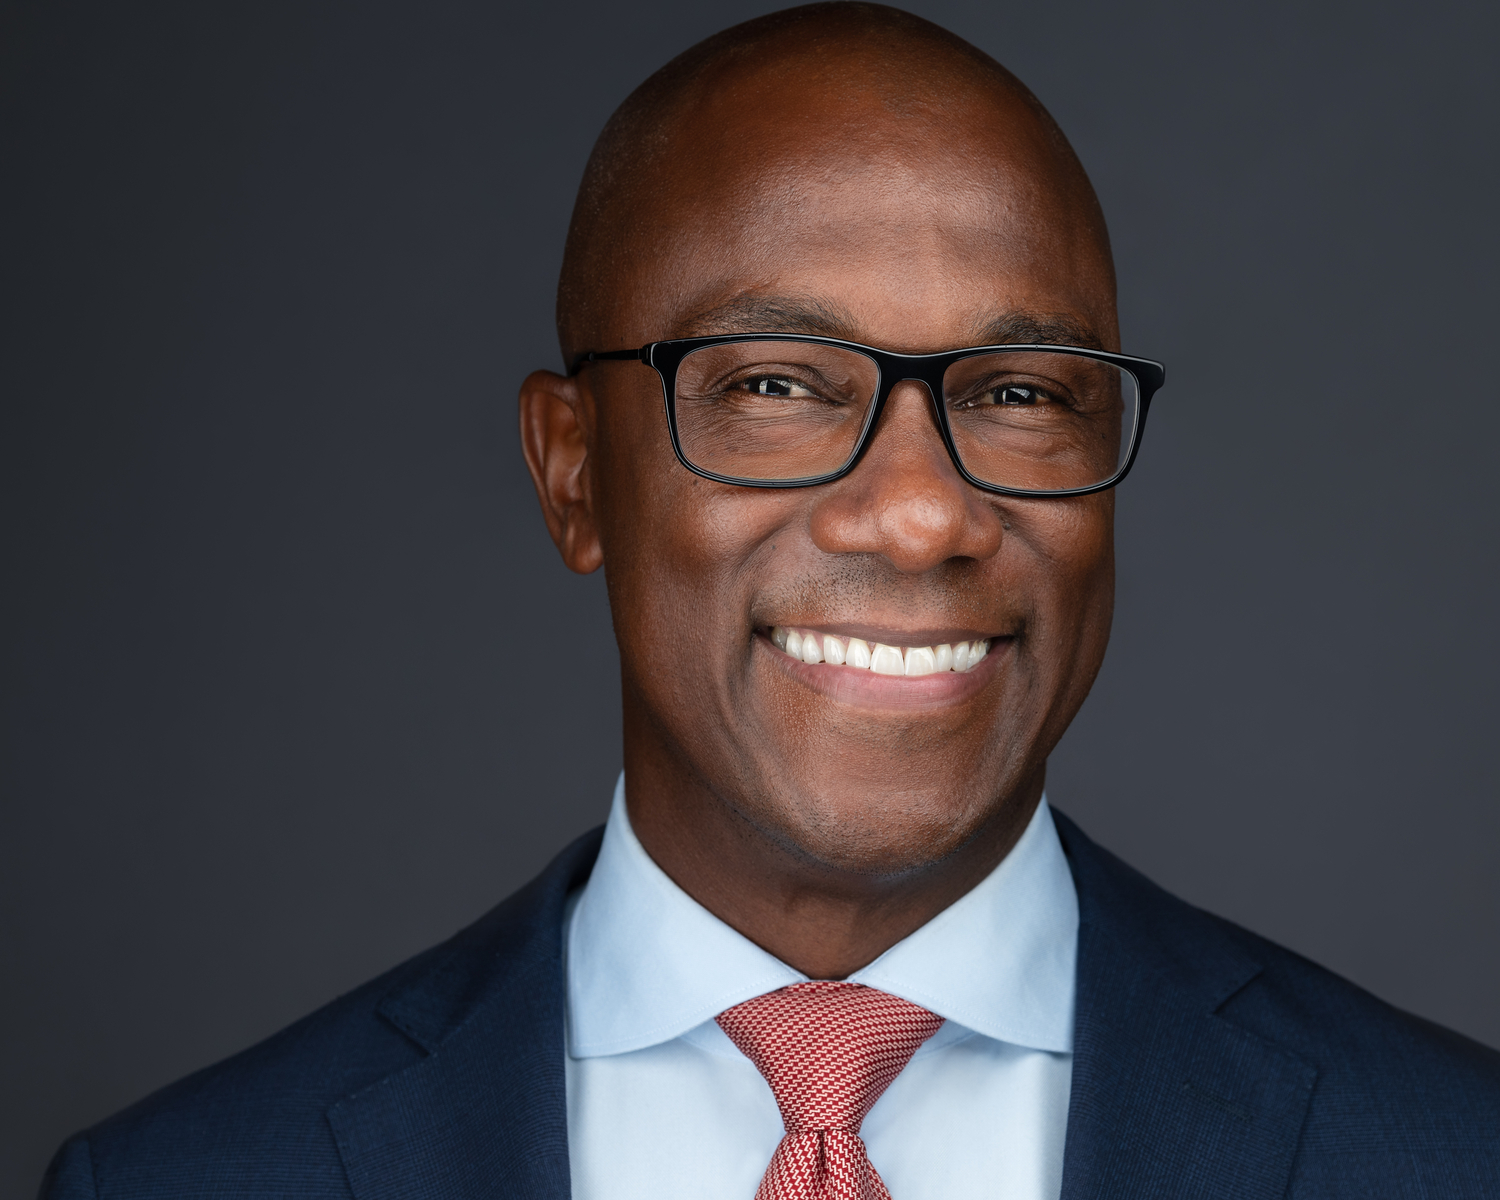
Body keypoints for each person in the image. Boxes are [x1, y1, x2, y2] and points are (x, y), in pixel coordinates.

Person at [41, 5, 1500, 1198]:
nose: (922, 516)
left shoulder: (1452, 1155)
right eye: (778, 386)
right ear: (573, 475)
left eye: (1019, 394)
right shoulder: (192, 1180)